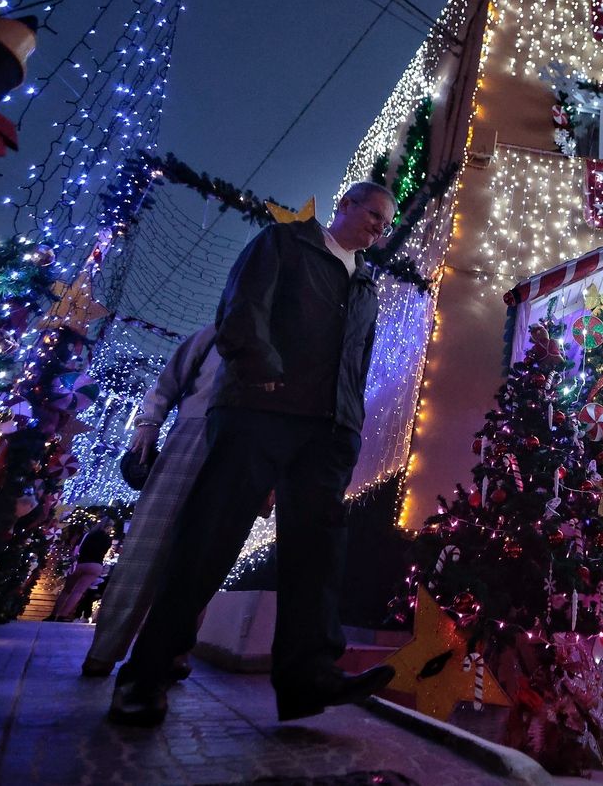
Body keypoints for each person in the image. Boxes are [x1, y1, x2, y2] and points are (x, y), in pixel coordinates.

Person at [109, 182, 398, 727]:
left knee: (318, 554)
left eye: (386, 225)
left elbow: (356, 360)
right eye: (374, 215)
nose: (378, 229)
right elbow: (242, 310)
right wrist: (262, 369)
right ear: (347, 205)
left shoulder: (365, 286)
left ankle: (308, 679)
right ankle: (144, 677)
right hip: (259, 412)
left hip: (328, 433)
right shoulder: (284, 244)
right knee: (208, 539)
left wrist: (350, 424)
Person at [81, 323, 220, 677]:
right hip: (192, 432)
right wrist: (148, 422)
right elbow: (171, 378)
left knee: (204, 560)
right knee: (146, 547)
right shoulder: (221, 326)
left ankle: (173, 651)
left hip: (243, 447)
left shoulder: (294, 333)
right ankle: (105, 648)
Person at [51, 518, 115, 620]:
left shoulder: (87, 535)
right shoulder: (108, 539)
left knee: (67, 590)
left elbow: (76, 547)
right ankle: (63, 615)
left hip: (81, 563)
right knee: (78, 592)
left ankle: (53, 615)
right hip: (96, 566)